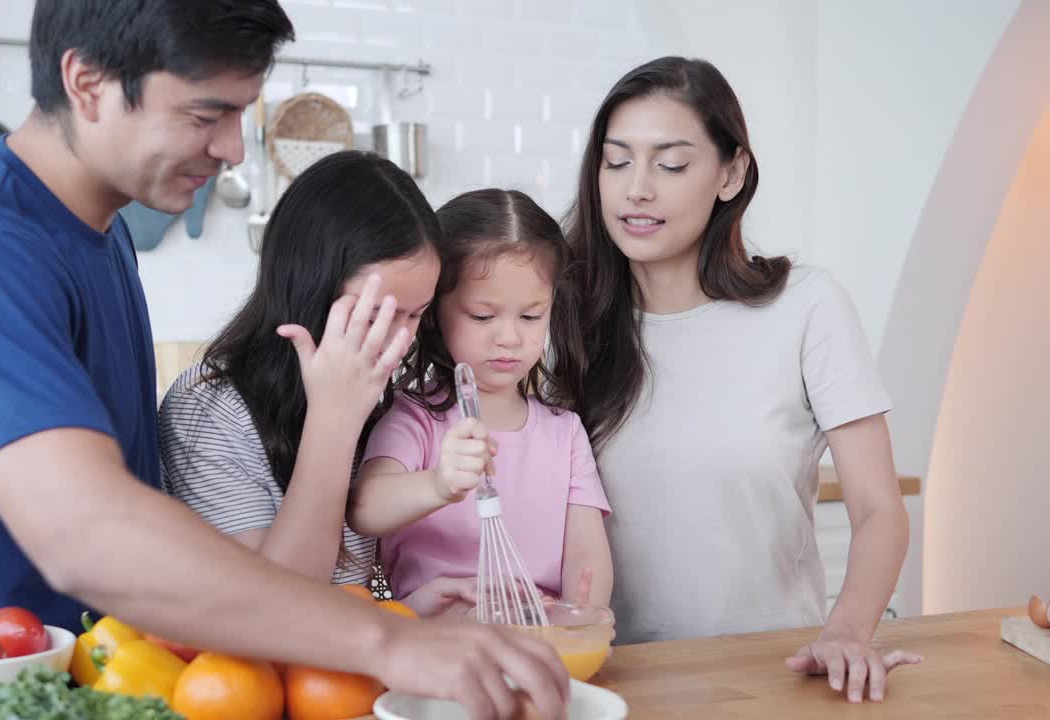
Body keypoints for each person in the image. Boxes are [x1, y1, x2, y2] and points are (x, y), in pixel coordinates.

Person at [0, 3, 569, 718]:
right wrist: (391, 641)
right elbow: (86, 535)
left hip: (97, 687)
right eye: (204, 114)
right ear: (87, 83)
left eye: (239, 115)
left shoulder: (97, 232)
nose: (232, 149)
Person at [565, 55, 919, 704]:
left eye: (670, 164)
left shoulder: (806, 306)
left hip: (775, 678)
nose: (636, 188)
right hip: (608, 686)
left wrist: (847, 631)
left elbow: (878, 510)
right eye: (616, 162)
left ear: (731, 174)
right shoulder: (561, 321)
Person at [159, 150, 469, 607]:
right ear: (308, 289)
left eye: (415, 315)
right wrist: (334, 418)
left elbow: (354, 589)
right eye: (374, 315)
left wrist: (409, 611)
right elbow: (275, 612)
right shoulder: (206, 410)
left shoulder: (387, 395)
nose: (399, 341)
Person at [350, 189, 613, 617]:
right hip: (435, 641)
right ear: (434, 311)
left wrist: (581, 615)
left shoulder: (564, 432)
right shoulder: (415, 419)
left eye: (531, 317)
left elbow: (586, 551)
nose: (509, 337)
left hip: (538, 636)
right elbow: (364, 508)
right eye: (483, 316)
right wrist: (439, 484)